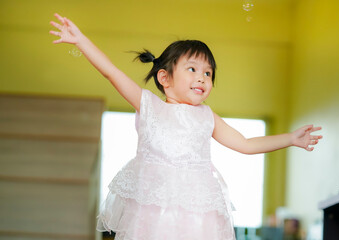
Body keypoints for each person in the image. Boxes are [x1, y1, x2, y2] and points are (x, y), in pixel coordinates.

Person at [49, 13, 322, 240]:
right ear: (164, 78)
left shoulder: (207, 116)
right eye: (192, 69)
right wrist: (81, 41)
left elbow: (246, 144)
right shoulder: (149, 106)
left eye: (208, 73)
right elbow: (111, 72)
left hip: (197, 217)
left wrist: (290, 138)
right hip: (152, 214)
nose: (202, 78)